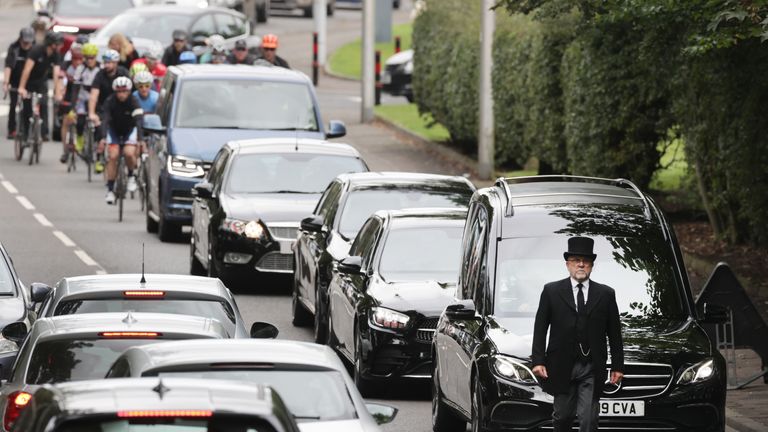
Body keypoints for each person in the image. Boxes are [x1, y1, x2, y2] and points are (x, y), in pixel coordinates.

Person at [531, 236, 624, 432]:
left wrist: (617, 366)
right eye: (576, 260)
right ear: (568, 264)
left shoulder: (606, 294)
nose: (581, 264)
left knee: (589, 419)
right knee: (563, 417)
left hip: (591, 366)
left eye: (586, 261)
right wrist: (538, 361)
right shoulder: (551, 291)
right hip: (561, 364)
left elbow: (614, 333)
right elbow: (540, 328)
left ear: (591, 265)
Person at [99, 76, 143, 205]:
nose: (122, 94)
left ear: (129, 91)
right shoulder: (110, 101)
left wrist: (140, 139)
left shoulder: (134, 101)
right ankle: (110, 190)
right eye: (119, 92)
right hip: (114, 131)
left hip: (130, 130)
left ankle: (131, 175)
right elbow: (105, 120)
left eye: (124, 91)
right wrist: (102, 138)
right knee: (113, 156)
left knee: (129, 153)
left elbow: (139, 121)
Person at [18, 31, 64, 142]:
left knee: (44, 103)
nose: (59, 46)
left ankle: (44, 133)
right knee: (27, 108)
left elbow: (56, 74)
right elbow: (27, 70)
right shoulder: (36, 50)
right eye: (57, 43)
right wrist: (21, 87)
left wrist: (57, 93)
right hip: (29, 81)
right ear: (50, 43)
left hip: (41, 82)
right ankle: (24, 134)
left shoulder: (56, 54)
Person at [88, 49, 129, 173]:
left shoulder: (123, 73)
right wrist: (92, 113)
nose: (107, 65)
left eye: (110, 62)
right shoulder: (100, 75)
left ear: (116, 63)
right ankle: (100, 157)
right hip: (103, 107)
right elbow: (94, 94)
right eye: (105, 62)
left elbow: (130, 92)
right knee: (100, 126)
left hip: (121, 107)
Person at [3, 27, 35, 139]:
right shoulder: (14, 48)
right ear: (20, 39)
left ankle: (27, 130)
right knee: (13, 104)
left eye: (29, 42)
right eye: (24, 42)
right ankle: (11, 129)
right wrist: (6, 83)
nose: (26, 45)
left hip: (29, 82)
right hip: (15, 81)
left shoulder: (34, 50)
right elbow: (8, 66)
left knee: (28, 106)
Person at [58, 43, 84, 162]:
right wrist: (58, 93)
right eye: (75, 59)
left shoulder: (85, 67)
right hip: (69, 93)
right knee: (65, 121)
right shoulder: (66, 65)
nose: (77, 62)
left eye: (80, 59)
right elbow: (59, 80)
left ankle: (81, 143)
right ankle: (65, 150)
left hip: (81, 94)